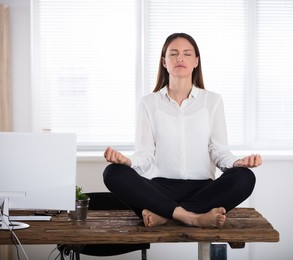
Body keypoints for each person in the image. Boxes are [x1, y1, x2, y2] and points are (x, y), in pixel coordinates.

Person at [103, 33, 262, 228]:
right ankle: (192, 217)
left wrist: (237, 162)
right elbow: (145, 154)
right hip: (160, 190)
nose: (180, 58)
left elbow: (219, 150)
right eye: (173, 54)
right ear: (164, 62)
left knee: (244, 177)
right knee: (112, 173)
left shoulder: (213, 101)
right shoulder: (148, 103)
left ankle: (166, 214)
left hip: (203, 190)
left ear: (196, 61)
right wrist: (128, 162)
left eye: (187, 54)